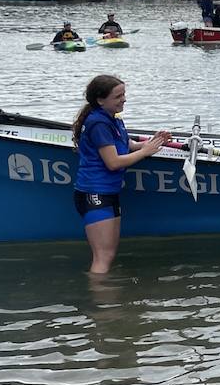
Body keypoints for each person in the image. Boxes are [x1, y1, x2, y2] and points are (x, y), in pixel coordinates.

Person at [71, 75, 170, 274]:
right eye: (118, 96)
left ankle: (108, 301)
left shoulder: (113, 118)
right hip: (94, 194)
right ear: (101, 100)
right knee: (103, 257)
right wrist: (145, 153)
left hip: (108, 193)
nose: (124, 99)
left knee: (108, 254)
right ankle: (101, 303)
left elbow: (128, 145)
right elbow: (113, 162)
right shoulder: (98, 123)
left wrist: (153, 143)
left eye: (124, 94)